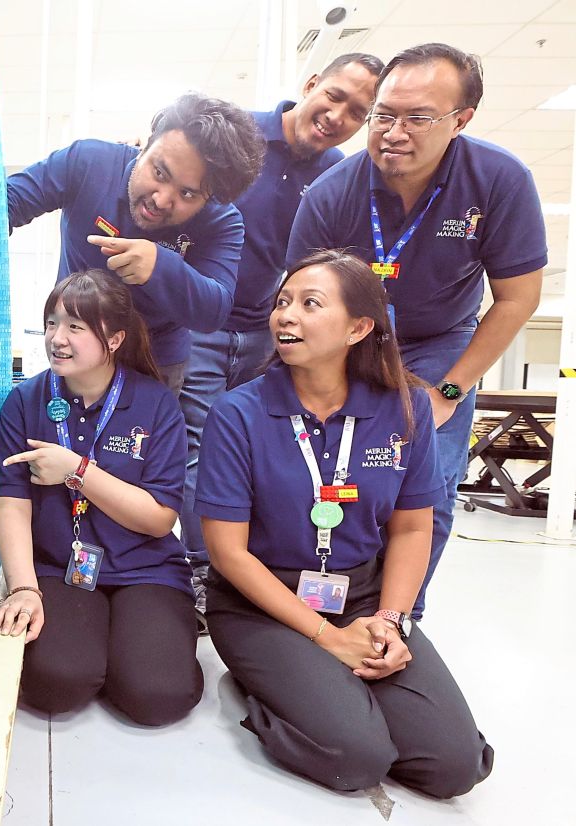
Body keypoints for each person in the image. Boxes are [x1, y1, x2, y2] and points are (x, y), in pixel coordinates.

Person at [196, 250, 492, 797]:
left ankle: (322, 685)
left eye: (310, 304)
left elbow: (411, 529)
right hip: (262, 604)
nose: (286, 315)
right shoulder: (238, 413)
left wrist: (392, 620)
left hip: (361, 596)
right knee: (355, 757)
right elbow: (228, 554)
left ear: (359, 326)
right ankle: (269, 682)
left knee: (453, 767)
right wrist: (326, 640)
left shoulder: (406, 409)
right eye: (283, 302)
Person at [287, 43, 546, 618]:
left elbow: (517, 298)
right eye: (383, 114)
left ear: (461, 120)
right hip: (347, 341)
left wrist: (450, 390)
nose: (393, 132)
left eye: (418, 118)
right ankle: (327, 608)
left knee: (426, 487)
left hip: (441, 342)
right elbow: (302, 305)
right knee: (334, 476)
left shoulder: (498, 181)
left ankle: (396, 617)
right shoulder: (333, 194)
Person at [178, 53, 383, 615]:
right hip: (203, 323)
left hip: (272, 333)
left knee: (267, 450)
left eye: (358, 111)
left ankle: (258, 565)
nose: (338, 115)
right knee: (199, 444)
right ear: (312, 84)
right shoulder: (239, 138)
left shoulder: (342, 173)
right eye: (335, 95)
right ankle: (203, 570)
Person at [0, 269, 201, 726]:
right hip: (61, 568)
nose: (56, 339)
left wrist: (78, 472)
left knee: (159, 696)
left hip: (146, 568)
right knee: (55, 682)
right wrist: (24, 587)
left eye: (75, 327)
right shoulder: (25, 402)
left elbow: (160, 519)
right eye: (51, 323)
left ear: (116, 338)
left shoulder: (156, 403)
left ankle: (129, 648)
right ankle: (97, 646)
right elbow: (11, 503)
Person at [6, 94, 265, 391]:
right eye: (159, 172)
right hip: (74, 347)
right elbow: (7, 203)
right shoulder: (89, 163)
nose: (161, 199)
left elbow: (214, 310)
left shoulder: (221, 221)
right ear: (146, 145)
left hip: (156, 364)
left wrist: (160, 267)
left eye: (188, 194)